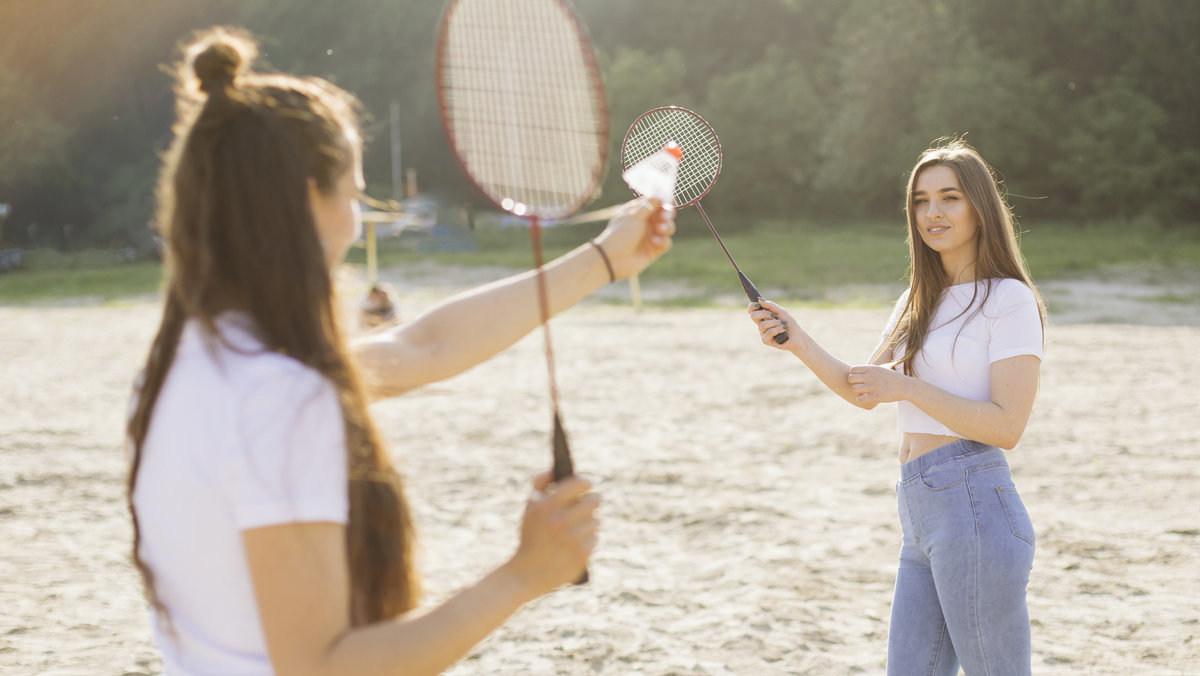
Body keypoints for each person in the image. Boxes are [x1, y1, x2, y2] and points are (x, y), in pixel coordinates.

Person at [127, 26, 675, 675]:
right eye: (354, 195)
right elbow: (321, 666)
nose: (356, 224)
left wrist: (605, 260)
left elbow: (423, 346)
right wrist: (523, 575)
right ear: (308, 196)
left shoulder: (192, 361)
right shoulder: (281, 396)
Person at [748, 139, 1045, 675]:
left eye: (949, 197)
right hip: (918, 509)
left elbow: (1007, 426)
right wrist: (797, 340)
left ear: (980, 206)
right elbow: (864, 388)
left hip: (975, 505)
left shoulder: (1009, 299)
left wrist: (908, 389)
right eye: (921, 200)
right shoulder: (916, 301)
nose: (933, 212)